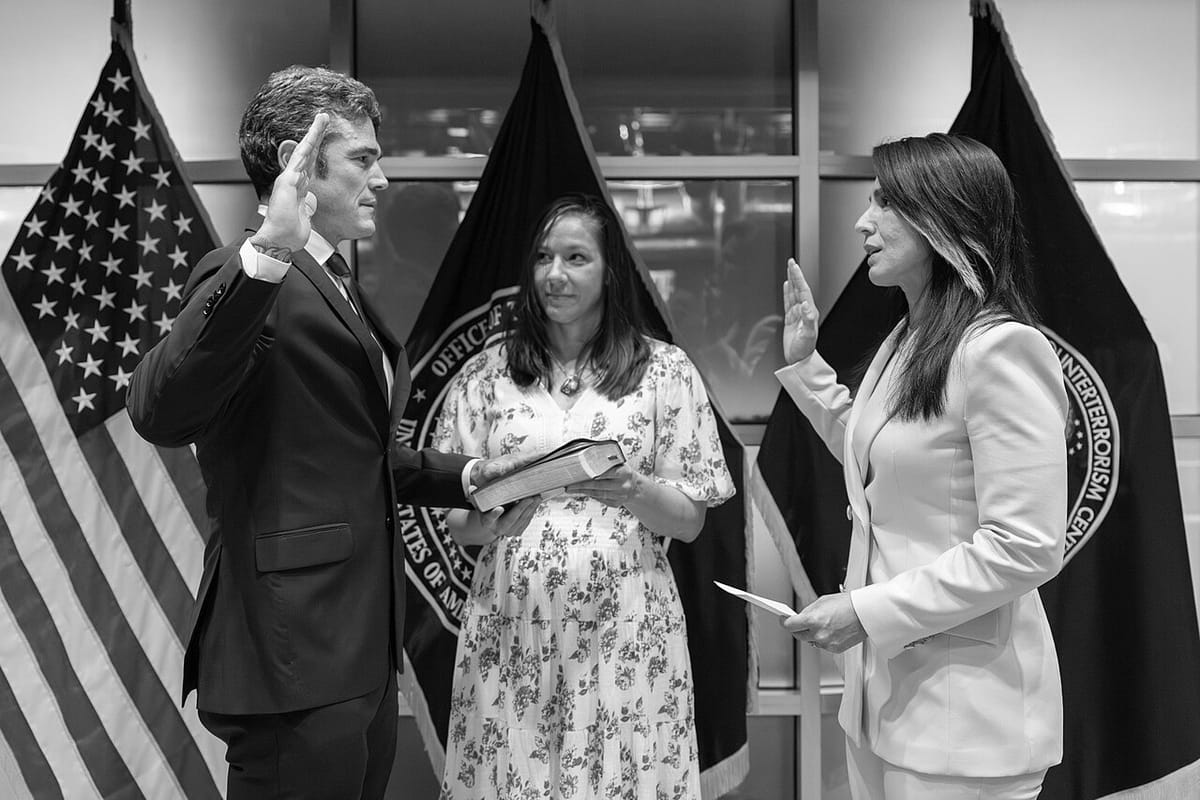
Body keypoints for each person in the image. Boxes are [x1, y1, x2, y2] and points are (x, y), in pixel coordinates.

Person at [127, 66, 534, 800]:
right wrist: (266, 255)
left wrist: (467, 478)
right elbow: (160, 410)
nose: (380, 180)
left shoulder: (337, 282)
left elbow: (346, 452)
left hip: (357, 654)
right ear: (299, 159)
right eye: (363, 160)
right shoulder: (246, 274)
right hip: (292, 660)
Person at [775, 133, 1068, 799]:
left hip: (967, 719)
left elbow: (1026, 546)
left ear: (944, 217)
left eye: (884, 203)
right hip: (885, 705)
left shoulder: (1001, 350)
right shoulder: (912, 339)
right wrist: (806, 367)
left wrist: (868, 612)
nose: (862, 223)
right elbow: (882, 454)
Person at [432, 193, 735, 799]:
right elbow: (454, 519)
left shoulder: (665, 372)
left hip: (626, 626)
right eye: (543, 257)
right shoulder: (486, 374)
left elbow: (692, 519)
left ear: (609, 271)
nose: (554, 274)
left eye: (576, 257)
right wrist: (493, 522)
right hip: (511, 624)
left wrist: (631, 487)